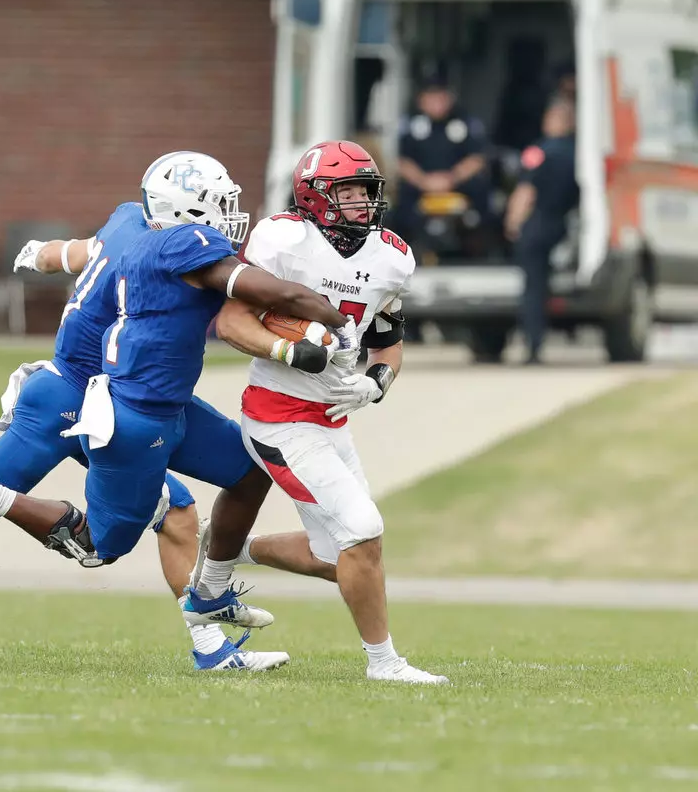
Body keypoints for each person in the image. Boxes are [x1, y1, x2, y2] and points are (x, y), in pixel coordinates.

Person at [0, 152, 359, 659]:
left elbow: (81, 252)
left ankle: (209, 600)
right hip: (131, 417)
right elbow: (264, 289)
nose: (227, 212)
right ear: (186, 210)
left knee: (249, 469)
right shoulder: (181, 243)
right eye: (218, 203)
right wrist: (334, 318)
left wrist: (41, 254)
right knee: (96, 548)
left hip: (167, 406)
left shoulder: (136, 223)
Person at [213, 140, 448, 684]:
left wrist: (376, 383)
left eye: (368, 192)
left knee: (338, 552)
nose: (363, 204)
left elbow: (388, 342)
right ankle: (385, 664)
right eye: (348, 192)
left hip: (333, 417)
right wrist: (288, 349)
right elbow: (230, 322)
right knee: (362, 531)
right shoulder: (283, 240)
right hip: (277, 414)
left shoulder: (390, 256)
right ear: (315, 197)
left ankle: (229, 546)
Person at [504, 96, 579, 365]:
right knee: (542, 283)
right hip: (561, 223)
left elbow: (526, 190)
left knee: (532, 288)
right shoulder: (577, 152)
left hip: (537, 223)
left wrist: (513, 220)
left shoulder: (539, 152)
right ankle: (537, 340)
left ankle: (533, 345)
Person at [391, 75, 493, 240]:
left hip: (456, 181)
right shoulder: (410, 125)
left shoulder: (466, 122)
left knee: (482, 190)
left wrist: (452, 178)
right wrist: (423, 181)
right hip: (422, 182)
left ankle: (480, 241)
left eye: (441, 97)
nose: (437, 102)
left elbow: (477, 159)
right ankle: (406, 242)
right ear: (421, 100)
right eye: (432, 98)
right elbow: (403, 161)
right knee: (401, 198)